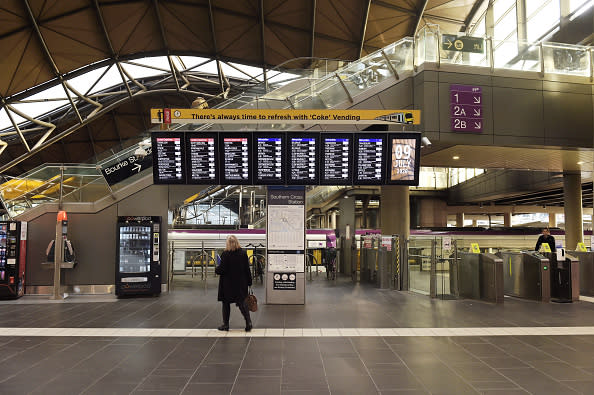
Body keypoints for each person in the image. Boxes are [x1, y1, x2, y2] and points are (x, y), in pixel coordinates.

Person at [215, 235, 253, 332]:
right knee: (242, 303)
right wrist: (249, 282)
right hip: (240, 283)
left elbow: (221, 270)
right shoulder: (243, 253)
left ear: (228, 243)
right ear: (237, 242)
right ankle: (248, 322)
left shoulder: (225, 254)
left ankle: (226, 325)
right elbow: (247, 269)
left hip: (228, 284)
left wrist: (217, 269)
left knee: (226, 303)